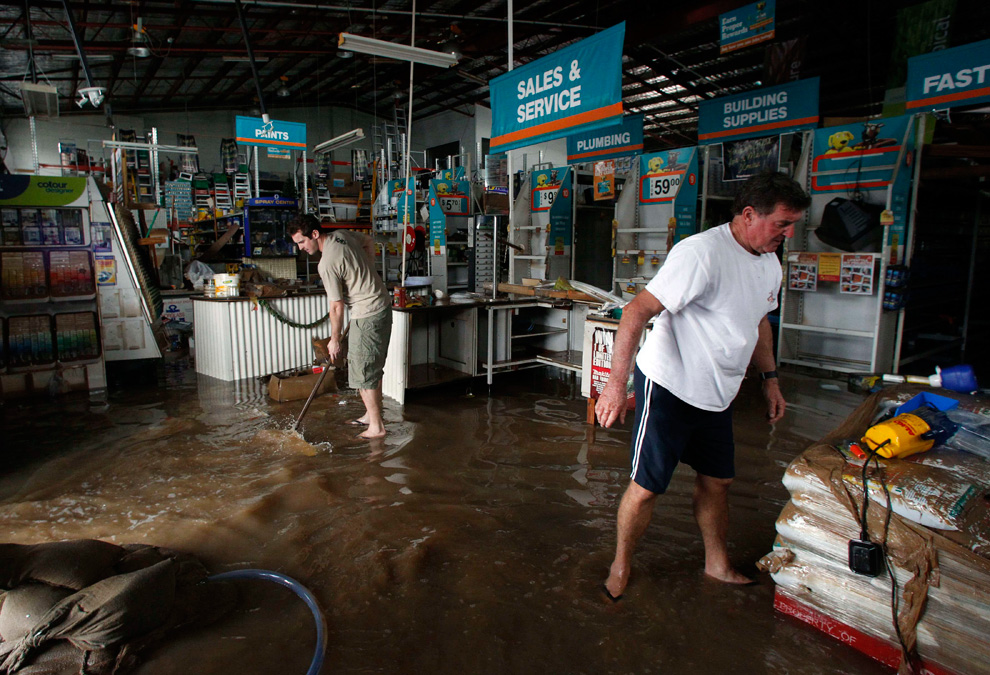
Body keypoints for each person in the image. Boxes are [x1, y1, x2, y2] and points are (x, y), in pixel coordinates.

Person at [595, 171, 810, 600]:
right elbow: (635, 312)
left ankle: (716, 563)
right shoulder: (701, 254)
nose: (787, 234)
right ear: (749, 215)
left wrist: (771, 381)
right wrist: (615, 385)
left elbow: (760, 324)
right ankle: (620, 564)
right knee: (647, 487)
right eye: (782, 224)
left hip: (718, 393)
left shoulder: (769, 262)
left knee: (718, 482)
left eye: (792, 226)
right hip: (671, 386)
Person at [289, 215, 392, 439]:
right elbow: (368, 241)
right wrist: (366, 272)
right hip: (381, 304)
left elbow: (336, 306)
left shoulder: (326, 262)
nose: (301, 248)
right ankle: (370, 415)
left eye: (302, 242)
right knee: (372, 366)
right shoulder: (342, 235)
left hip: (367, 314)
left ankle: (377, 427)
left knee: (363, 370)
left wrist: (334, 340)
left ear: (314, 234)